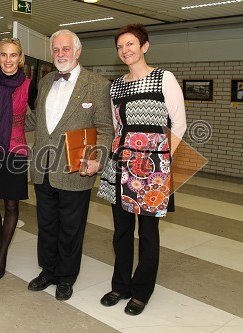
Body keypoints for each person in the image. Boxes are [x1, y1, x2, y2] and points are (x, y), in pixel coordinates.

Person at [97, 24, 187, 315]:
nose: (126, 50)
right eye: (121, 46)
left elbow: (179, 124)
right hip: (120, 163)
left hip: (153, 167)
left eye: (131, 44)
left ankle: (141, 291)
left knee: (148, 232)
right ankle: (120, 285)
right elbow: (116, 126)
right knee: (121, 231)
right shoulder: (116, 86)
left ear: (145, 46)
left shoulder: (165, 78)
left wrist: (160, 162)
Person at [25, 29, 114, 301]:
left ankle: (66, 277)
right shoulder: (46, 80)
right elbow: (35, 121)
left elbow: (105, 128)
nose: (60, 54)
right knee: (47, 223)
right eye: (56, 50)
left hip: (77, 168)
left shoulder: (97, 84)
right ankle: (48, 270)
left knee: (71, 228)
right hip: (44, 167)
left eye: (66, 49)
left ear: (77, 51)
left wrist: (97, 158)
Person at [0, 38, 37, 279]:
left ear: (20, 58)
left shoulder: (30, 86)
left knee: (12, 205)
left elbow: (41, 115)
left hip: (16, 151)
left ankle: (1, 255)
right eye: (4, 55)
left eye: (13, 55)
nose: (8, 60)